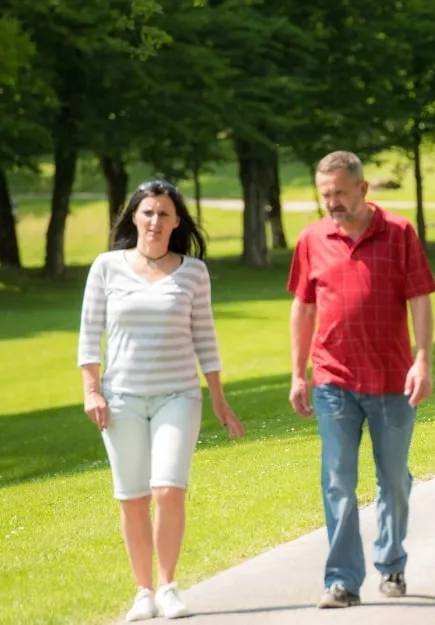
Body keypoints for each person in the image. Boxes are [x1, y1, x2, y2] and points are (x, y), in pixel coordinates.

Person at [78, 180, 244, 621]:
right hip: (121, 398)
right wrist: (91, 389)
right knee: (131, 497)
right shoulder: (107, 266)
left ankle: (168, 585)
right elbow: (89, 332)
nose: (155, 221)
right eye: (147, 212)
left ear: (177, 221)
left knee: (168, 490)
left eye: (164, 214)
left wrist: (219, 399)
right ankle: (143, 592)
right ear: (134, 216)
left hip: (178, 394)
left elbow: (205, 337)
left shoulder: (193, 272)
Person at [287, 151, 435, 609]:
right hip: (333, 380)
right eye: (325, 194)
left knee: (393, 479)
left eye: (339, 193)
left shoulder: (399, 233)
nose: (331, 202)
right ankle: (342, 580)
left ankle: (391, 563)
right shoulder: (312, 238)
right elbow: (303, 307)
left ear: (363, 189)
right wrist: (298, 372)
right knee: (337, 479)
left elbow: (420, 300)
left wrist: (423, 360)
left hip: (393, 380)